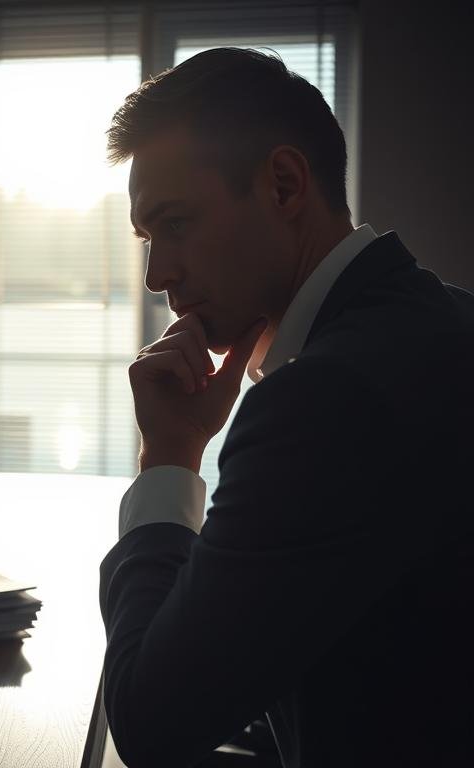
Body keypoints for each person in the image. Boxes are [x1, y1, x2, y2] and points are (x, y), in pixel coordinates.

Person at [98, 47, 474, 767]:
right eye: (148, 239)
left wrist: (168, 458)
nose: (156, 276)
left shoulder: (327, 400)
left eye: (175, 224)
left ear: (283, 184)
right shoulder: (441, 318)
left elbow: (150, 721)